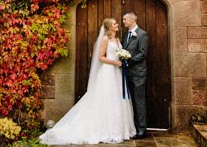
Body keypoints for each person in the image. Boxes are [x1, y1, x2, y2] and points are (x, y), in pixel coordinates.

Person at [39, 18, 136, 145]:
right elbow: (100, 57)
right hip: (108, 72)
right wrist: (115, 62)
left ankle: (119, 131)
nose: (117, 25)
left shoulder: (117, 40)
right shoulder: (105, 39)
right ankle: (104, 130)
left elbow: (118, 54)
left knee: (117, 99)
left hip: (117, 73)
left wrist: (122, 59)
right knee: (105, 99)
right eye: (114, 24)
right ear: (109, 27)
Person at [122, 11, 148, 139]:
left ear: (132, 20)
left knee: (139, 101)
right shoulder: (126, 34)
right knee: (129, 101)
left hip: (138, 73)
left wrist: (128, 60)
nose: (124, 22)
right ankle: (132, 127)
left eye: (125, 19)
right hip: (127, 73)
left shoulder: (142, 34)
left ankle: (142, 128)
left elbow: (142, 53)